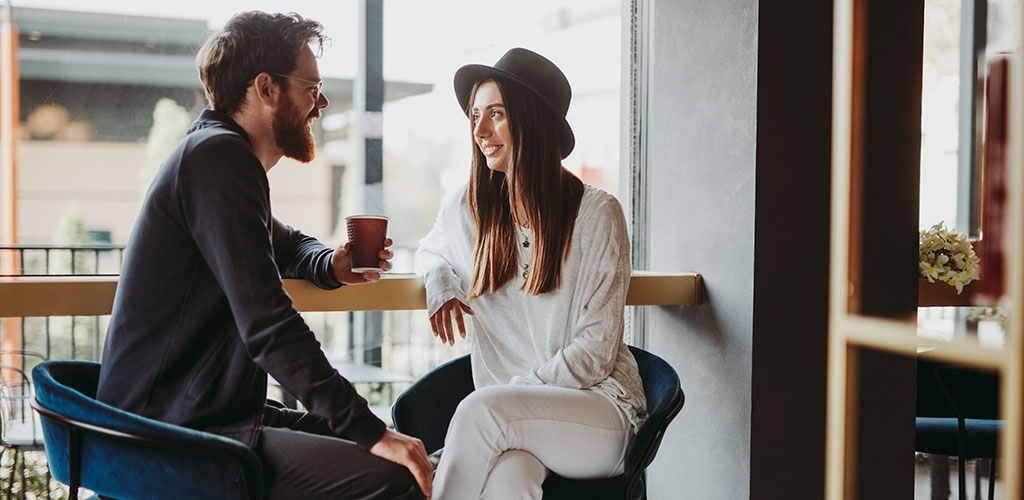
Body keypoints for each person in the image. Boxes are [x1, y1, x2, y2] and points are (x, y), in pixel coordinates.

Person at [96, 12, 431, 500]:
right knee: (394, 472)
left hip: (207, 413)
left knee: (394, 450)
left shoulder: (216, 155)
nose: (322, 102)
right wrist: (371, 431)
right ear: (266, 88)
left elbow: (287, 242)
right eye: (311, 86)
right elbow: (268, 324)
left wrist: (329, 264)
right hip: (169, 434)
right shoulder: (219, 159)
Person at [414, 47, 648, 499]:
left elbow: (596, 350)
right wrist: (440, 281)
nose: (479, 130)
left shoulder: (595, 214)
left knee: (482, 411)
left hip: (600, 413)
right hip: (515, 423)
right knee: (507, 482)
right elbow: (429, 250)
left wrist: (518, 393)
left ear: (532, 123)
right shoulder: (469, 209)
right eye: (475, 116)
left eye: (496, 114)